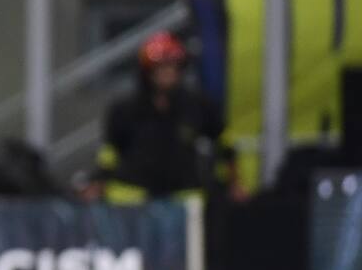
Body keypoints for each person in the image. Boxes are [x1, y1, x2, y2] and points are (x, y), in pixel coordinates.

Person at [75, 31, 246, 202]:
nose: (168, 73)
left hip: (183, 199)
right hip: (134, 199)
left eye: (173, 66)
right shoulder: (125, 110)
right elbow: (110, 155)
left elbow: (225, 144)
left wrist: (233, 183)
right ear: (148, 72)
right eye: (161, 67)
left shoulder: (197, 106)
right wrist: (97, 183)